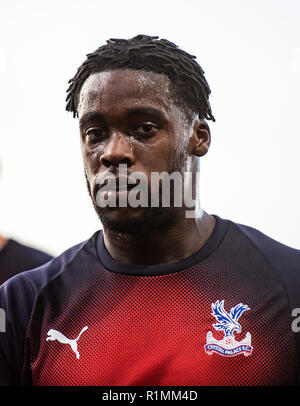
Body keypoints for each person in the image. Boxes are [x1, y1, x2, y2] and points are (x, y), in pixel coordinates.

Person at [0, 34, 299, 386]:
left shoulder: (288, 285)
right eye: (95, 133)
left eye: (144, 128)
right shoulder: (24, 305)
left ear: (198, 137)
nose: (113, 152)